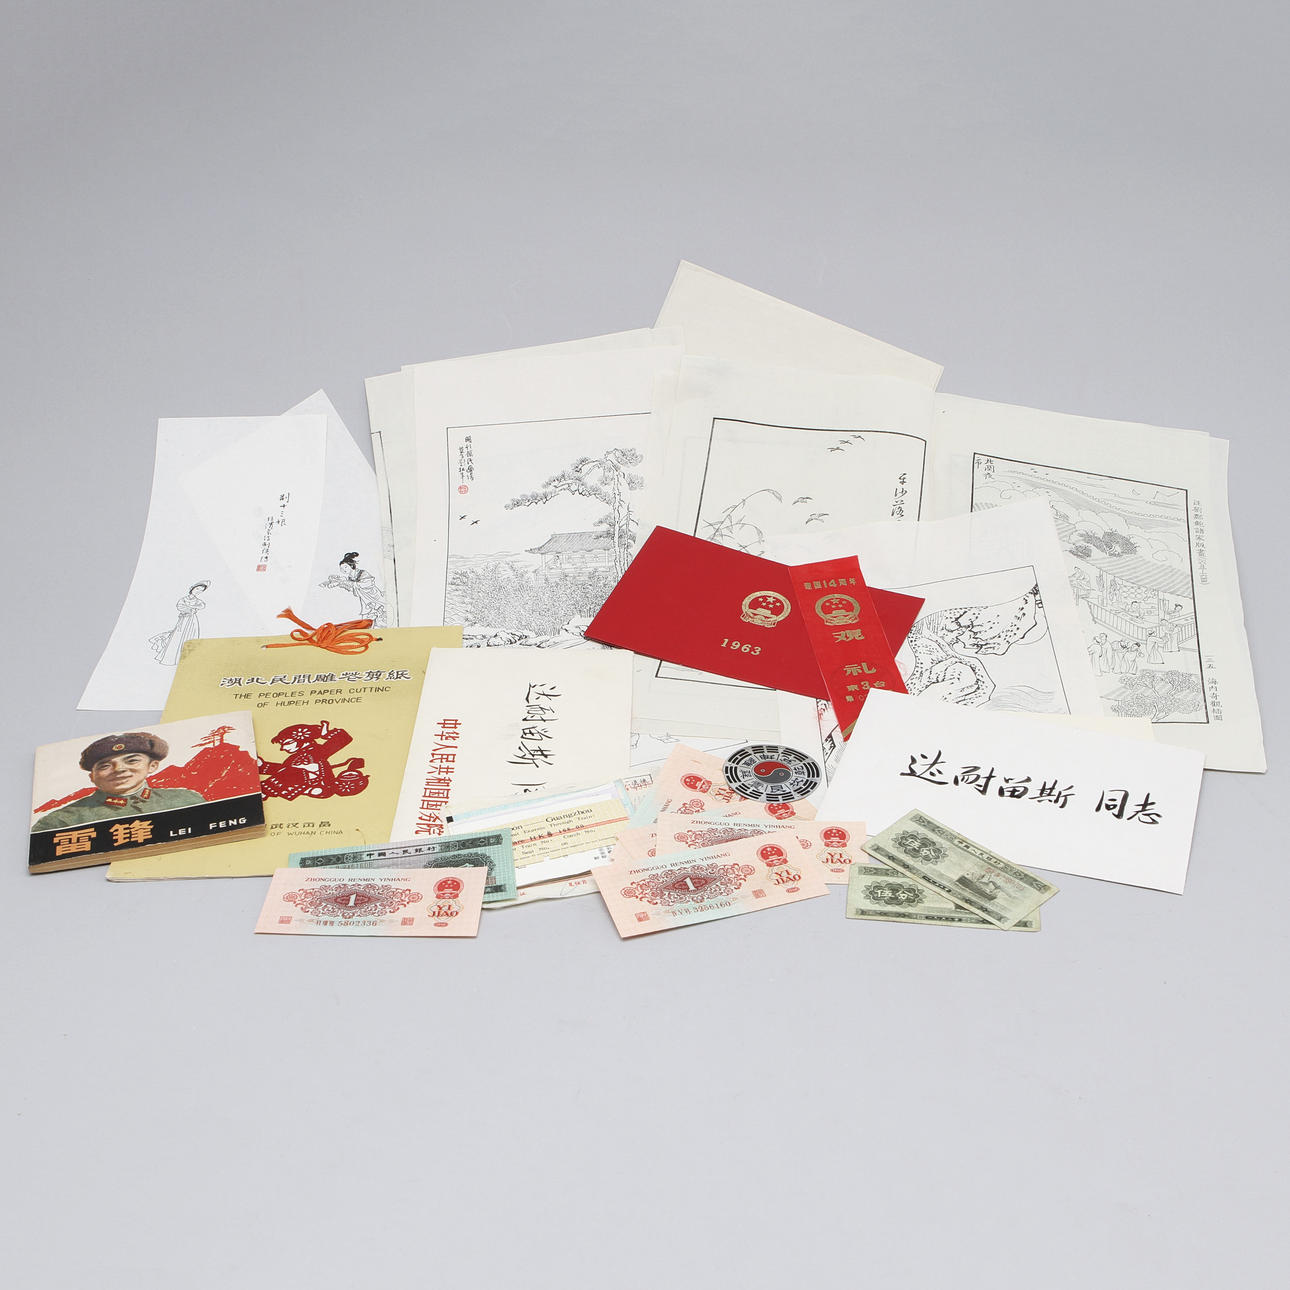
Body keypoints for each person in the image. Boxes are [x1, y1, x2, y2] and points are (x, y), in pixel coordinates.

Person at [32, 732, 206, 832]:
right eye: (105, 765)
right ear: (92, 777)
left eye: (132, 761)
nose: (119, 769)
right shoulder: (60, 821)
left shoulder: (187, 800)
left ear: (152, 766)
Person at [149, 581, 209, 665]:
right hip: (183, 619)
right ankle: (173, 658)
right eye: (197, 589)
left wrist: (192, 608)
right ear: (192, 588)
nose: (198, 591)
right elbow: (180, 606)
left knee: (191, 634)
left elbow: (202, 605)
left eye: (201, 590)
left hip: (192, 620)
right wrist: (191, 609)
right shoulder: (184, 599)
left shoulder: (197, 601)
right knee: (178, 635)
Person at [319, 552, 387, 626]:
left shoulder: (362, 573)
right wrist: (339, 584)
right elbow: (352, 588)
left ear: (351, 565)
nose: (343, 570)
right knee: (367, 620)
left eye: (345, 567)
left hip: (373, 595)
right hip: (365, 600)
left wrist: (344, 582)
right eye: (341, 568)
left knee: (382, 617)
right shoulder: (350, 577)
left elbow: (366, 584)